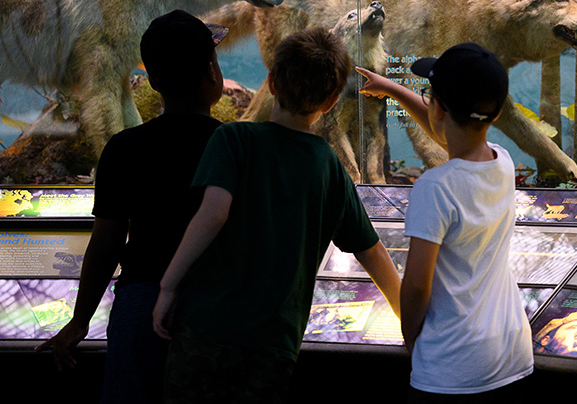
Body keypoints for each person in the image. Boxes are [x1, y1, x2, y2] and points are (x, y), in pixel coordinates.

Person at [152, 28, 401, 403]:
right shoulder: (329, 168)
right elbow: (373, 254)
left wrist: (169, 286)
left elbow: (213, 214)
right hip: (273, 345)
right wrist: (412, 322)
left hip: (207, 327)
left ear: (270, 82)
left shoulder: (233, 140)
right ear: (332, 101)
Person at [35, 9, 228, 404]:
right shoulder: (237, 146)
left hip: (140, 305)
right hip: (217, 305)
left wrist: (80, 320)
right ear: (213, 74)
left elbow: (106, 244)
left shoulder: (124, 148)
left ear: (153, 81)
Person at [357, 42, 534, 402]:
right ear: (495, 114)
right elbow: (451, 134)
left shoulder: (435, 188)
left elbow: (418, 286)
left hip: (453, 367)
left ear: (437, 107)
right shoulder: (502, 162)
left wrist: (412, 339)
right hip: (511, 351)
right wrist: (391, 88)